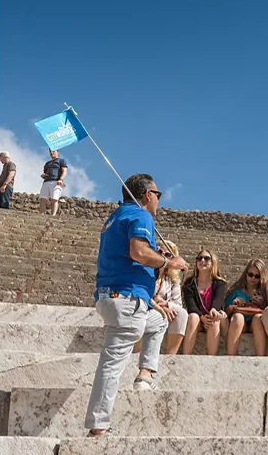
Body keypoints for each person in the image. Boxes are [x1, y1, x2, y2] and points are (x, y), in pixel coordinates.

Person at [84, 173, 189, 437]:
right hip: (126, 299)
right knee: (111, 363)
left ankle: (145, 375)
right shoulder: (142, 215)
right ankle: (99, 427)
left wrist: (157, 260)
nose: (158, 200)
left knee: (159, 320)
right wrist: (168, 263)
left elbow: (130, 255)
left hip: (114, 296)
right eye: (157, 194)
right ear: (146, 195)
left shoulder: (115, 216)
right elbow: (138, 252)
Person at [132, 240, 189, 355]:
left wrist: (166, 304)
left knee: (182, 313)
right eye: (159, 251)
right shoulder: (146, 272)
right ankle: (137, 353)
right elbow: (140, 294)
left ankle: (170, 356)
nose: (163, 256)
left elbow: (177, 303)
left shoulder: (172, 279)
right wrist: (158, 305)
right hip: (146, 305)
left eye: (167, 254)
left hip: (165, 309)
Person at [181, 249, 228, 355]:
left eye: (207, 258)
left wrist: (213, 309)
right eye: (199, 258)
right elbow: (191, 305)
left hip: (213, 318)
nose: (202, 261)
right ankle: (185, 356)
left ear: (213, 263)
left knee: (214, 320)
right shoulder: (189, 284)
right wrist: (202, 317)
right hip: (198, 319)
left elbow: (218, 299)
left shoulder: (219, 283)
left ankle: (211, 358)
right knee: (193, 316)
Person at [223, 259, 268, 356]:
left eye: (257, 276)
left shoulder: (265, 292)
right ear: (246, 274)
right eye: (250, 275)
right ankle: (230, 356)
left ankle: (261, 358)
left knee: (258, 318)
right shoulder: (235, 291)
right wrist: (234, 303)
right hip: (240, 323)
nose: (253, 278)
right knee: (238, 317)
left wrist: (263, 303)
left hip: (255, 323)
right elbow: (225, 311)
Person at [40, 149, 68, 216]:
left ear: (57, 152)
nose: (51, 153)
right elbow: (44, 172)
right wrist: (43, 175)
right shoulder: (47, 163)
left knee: (54, 199)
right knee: (42, 198)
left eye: (53, 151)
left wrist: (61, 179)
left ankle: (53, 215)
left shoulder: (61, 161)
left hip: (56, 181)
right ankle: (41, 215)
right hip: (46, 181)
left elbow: (64, 171)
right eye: (50, 151)